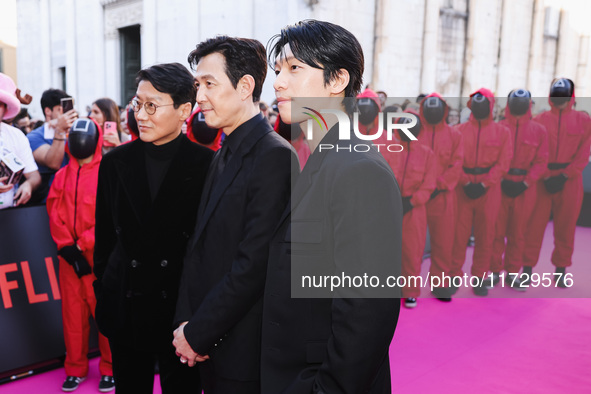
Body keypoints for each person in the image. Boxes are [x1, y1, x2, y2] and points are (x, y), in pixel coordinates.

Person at [261, 20, 402, 393]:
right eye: (278, 71)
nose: (277, 82)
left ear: (338, 80)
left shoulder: (358, 170)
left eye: (294, 69)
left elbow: (367, 313)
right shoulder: (319, 158)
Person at [171, 36, 296, 393]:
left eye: (209, 84)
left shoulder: (274, 157)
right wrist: (186, 326)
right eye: (198, 85)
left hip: (242, 350)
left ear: (245, 86)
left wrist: (197, 333)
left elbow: (253, 265)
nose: (199, 97)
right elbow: (199, 249)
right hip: (208, 340)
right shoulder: (223, 151)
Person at [93, 62, 213, 393]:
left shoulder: (206, 165)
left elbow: (207, 247)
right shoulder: (115, 162)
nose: (140, 116)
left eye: (152, 106)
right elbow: (104, 238)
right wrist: (103, 288)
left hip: (180, 314)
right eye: (137, 104)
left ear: (184, 110)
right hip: (126, 305)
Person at [47, 118, 114, 392]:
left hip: (97, 261)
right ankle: (75, 368)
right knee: (72, 318)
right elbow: (53, 211)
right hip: (69, 262)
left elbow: (108, 216)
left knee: (104, 316)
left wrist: (85, 243)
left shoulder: (106, 173)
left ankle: (110, 368)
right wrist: (67, 247)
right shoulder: (61, 175)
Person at [523, 78, 591, 286]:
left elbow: (584, 152)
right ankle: (527, 270)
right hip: (543, 179)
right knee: (533, 226)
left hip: (569, 180)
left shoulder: (584, 121)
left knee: (566, 226)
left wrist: (565, 175)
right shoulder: (540, 120)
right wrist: (543, 175)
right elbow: (534, 151)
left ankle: (561, 270)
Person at [450, 88, 512, 296]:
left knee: (486, 235)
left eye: (484, 102)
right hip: (463, 187)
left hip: (489, 190)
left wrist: (485, 183)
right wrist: (465, 181)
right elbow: (454, 160)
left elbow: (504, 162)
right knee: (458, 236)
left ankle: (479, 277)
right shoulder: (458, 130)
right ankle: (453, 276)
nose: (479, 106)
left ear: (491, 106)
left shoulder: (503, 132)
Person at [490, 89, 548, 290]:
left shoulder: (539, 130)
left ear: (529, 104)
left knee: (519, 232)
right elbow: (494, 158)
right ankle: (494, 271)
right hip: (500, 185)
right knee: (496, 232)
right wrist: (501, 179)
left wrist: (526, 182)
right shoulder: (499, 127)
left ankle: (513, 273)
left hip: (525, 188)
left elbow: (542, 161)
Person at [418, 93, 464, 300]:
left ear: (444, 110)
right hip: (418, 196)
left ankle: (440, 284)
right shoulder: (415, 132)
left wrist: (439, 185)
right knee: (412, 243)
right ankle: (407, 284)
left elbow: (457, 164)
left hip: (443, 197)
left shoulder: (455, 136)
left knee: (443, 242)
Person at [391, 109, 436, 308]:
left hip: (414, 209)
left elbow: (429, 183)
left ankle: (410, 291)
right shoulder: (390, 149)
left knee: (412, 250)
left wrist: (413, 201)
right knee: (389, 249)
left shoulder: (427, 154)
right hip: (391, 206)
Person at [26, 88, 78, 204]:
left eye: (68, 109)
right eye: (61, 109)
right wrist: (59, 130)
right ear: (48, 111)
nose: (65, 114)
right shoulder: (33, 137)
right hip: (49, 201)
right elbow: (54, 163)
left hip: (74, 199)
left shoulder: (75, 133)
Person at [0, 72, 40, 209]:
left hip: (9, 216)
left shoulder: (16, 136)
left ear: (6, 108)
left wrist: (28, 185)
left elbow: (34, 175)